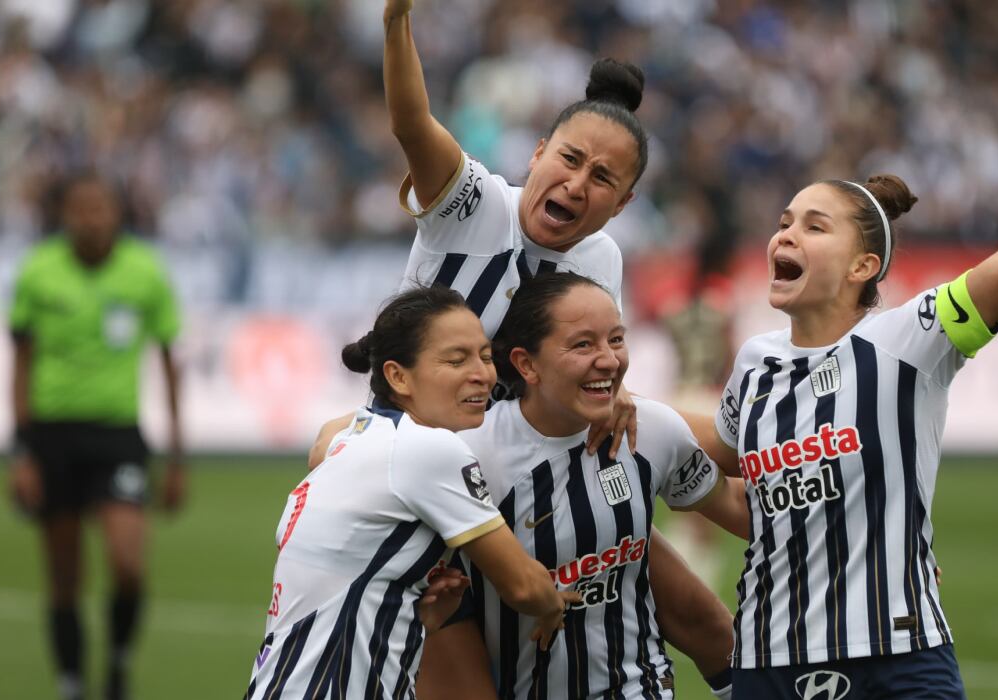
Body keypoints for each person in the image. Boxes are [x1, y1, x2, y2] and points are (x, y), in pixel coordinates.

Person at [682, 43, 998, 698]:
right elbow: (723, 454)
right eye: (783, 223)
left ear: (864, 266)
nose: (785, 235)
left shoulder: (911, 339)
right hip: (769, 663)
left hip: (900, 661)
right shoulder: (755, 363)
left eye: (814, 225)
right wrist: (621, 413)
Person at [350, 2, 738, 695]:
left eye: (602, 178)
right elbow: (411, 124)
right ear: (536, 154)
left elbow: (588, 360)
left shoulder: (600, 260)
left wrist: (614, 394)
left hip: (534, 475)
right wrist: (395, 22)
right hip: (423, 481)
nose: (576, 184)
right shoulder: (471, 203)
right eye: (568, 159)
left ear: (621, 203)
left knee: (706, 622)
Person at [404, 272, 748, 699]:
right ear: (527, 364)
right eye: (583, 345)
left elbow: (735, 506)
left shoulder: (653, 430)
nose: (608, 360)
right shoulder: (469, 455)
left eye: (616, 340)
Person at [246, 286, 576, 699]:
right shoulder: (427, 449)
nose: (483, 375)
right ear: (398, 376)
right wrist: (551, 606)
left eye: (486, 356)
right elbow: (524, 587)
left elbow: (322, 444)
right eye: (456, 360)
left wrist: (416, 617)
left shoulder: (353, 436)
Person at [7, 172, 185, 700]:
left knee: (128, 566)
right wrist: (21, 452)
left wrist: (177, 456)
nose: (91, 218)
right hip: (52, 438)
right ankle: (70, 682)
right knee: (64, 577)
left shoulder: (145, 272)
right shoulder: (39, 271)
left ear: (117, 213)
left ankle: (118, 664)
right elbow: (19, 364)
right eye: (80, 208)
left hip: (118, 437)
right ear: (64, 215)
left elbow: (170, 362)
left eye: (100, 208)